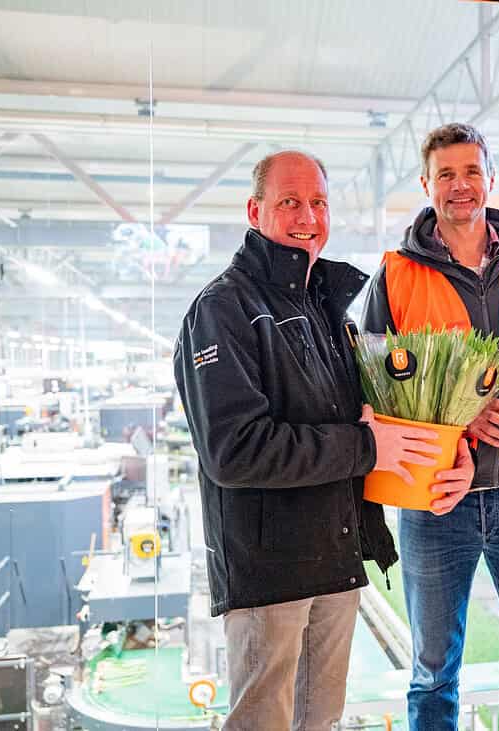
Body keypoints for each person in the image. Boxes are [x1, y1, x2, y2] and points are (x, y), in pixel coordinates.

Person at [173, 150, 474, 731]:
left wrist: (444, 458)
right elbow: (234, 451)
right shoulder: (224, 310)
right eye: (289, 201)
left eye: (317, 202)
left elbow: (368, 421)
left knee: (322, 722)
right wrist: (367, 449)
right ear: (255, 210)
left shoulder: (324, 309)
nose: (307, 215)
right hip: (270, 572)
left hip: (334, 561)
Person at [363, 122, 499, 730]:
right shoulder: (396, 275)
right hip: (435, 500)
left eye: (471, 172)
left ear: (490, 180)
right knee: (433, 678)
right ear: (426, 184)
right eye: (445, 174)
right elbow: (376, 388)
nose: (459, 186)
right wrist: (461, 413)